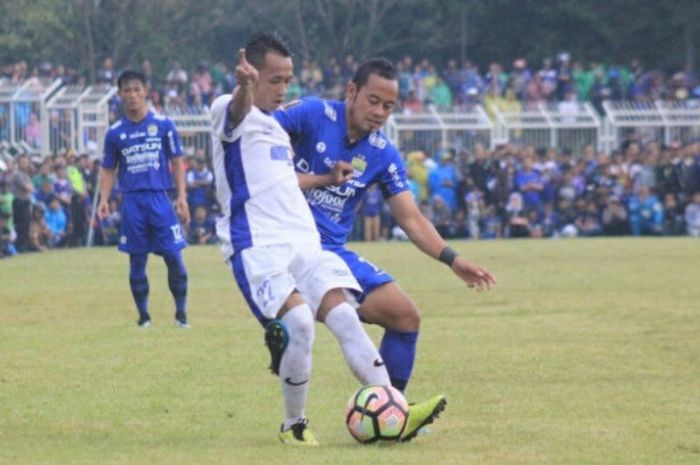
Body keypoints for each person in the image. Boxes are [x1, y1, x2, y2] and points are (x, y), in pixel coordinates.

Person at [274, 57, 495, 434]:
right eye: (373, 101)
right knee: (341, 317)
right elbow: (258, 158)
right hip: (288, 246)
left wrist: (452, 259)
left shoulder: (382, 153)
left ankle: (390, 413)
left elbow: (410, 218)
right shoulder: (310, 114)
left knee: (405, 316)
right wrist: (319, 177)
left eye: (388, 106)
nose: (379, 112)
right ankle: (395, 414)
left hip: (332, 252)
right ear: (351, 91)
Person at [210, 32, 395, 446]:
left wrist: (327, 179)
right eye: (274, 80)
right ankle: (294, 426)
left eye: (287, 80)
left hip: (303, 241)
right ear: (251, 75)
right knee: (298, 323)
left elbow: (284, 180)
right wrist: (242, 87)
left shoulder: (276, 131)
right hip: (258, 243)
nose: (283, 89)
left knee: (346, 316)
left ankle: (394, 403)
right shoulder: (227, 110)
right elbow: (238, 110)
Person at [97, 70, 191, 328]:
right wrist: (104, 199)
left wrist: (181, 196)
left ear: (146, 91)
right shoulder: (115, 133)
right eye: (127, 90)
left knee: (174, 256)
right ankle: (144, 317)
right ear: (120, 95)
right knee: (137, 259)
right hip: (132, 202)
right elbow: (108, 169)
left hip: (160, 199)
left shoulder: (163, 125)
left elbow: (177, 162)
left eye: (137, 89)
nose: (132, 95)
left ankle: (181, 314)